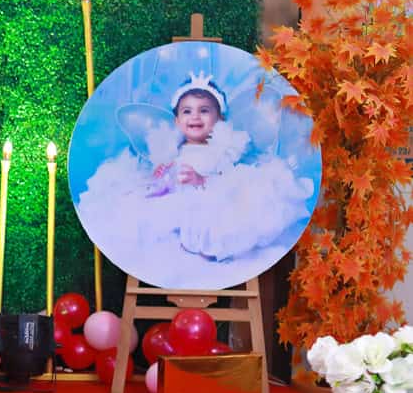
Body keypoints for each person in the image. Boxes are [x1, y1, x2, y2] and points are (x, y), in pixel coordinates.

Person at [76, 72, 313, 272]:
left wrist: (201, 180)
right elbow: (167, 176)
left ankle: (206, 247)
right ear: (177, 121)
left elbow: (227, 180)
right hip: (176, 196)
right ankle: (171, 247)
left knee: (214, 218)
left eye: (204, 111)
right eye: (187, 112)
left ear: (219, 118)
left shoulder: (223, 150)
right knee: (142, 208)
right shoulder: (174, 149)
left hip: (208, 197)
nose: (195, 117)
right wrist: (161, 175)